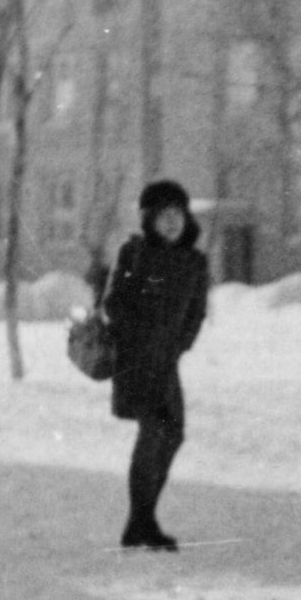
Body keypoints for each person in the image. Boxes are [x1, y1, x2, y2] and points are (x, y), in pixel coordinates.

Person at [102, 178, 211, 550]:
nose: (172, 221)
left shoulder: (194, 261)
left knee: (173, 434)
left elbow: (197, 312)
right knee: (153, 434)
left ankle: (141, 521)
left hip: (166, 363)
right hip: (136, 360)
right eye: (164, 214)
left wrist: (180, 344)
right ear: (149, 218)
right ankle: (141, 523)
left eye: (178, 213)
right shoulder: (134, 252)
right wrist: (142, 334)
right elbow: (112, 303)